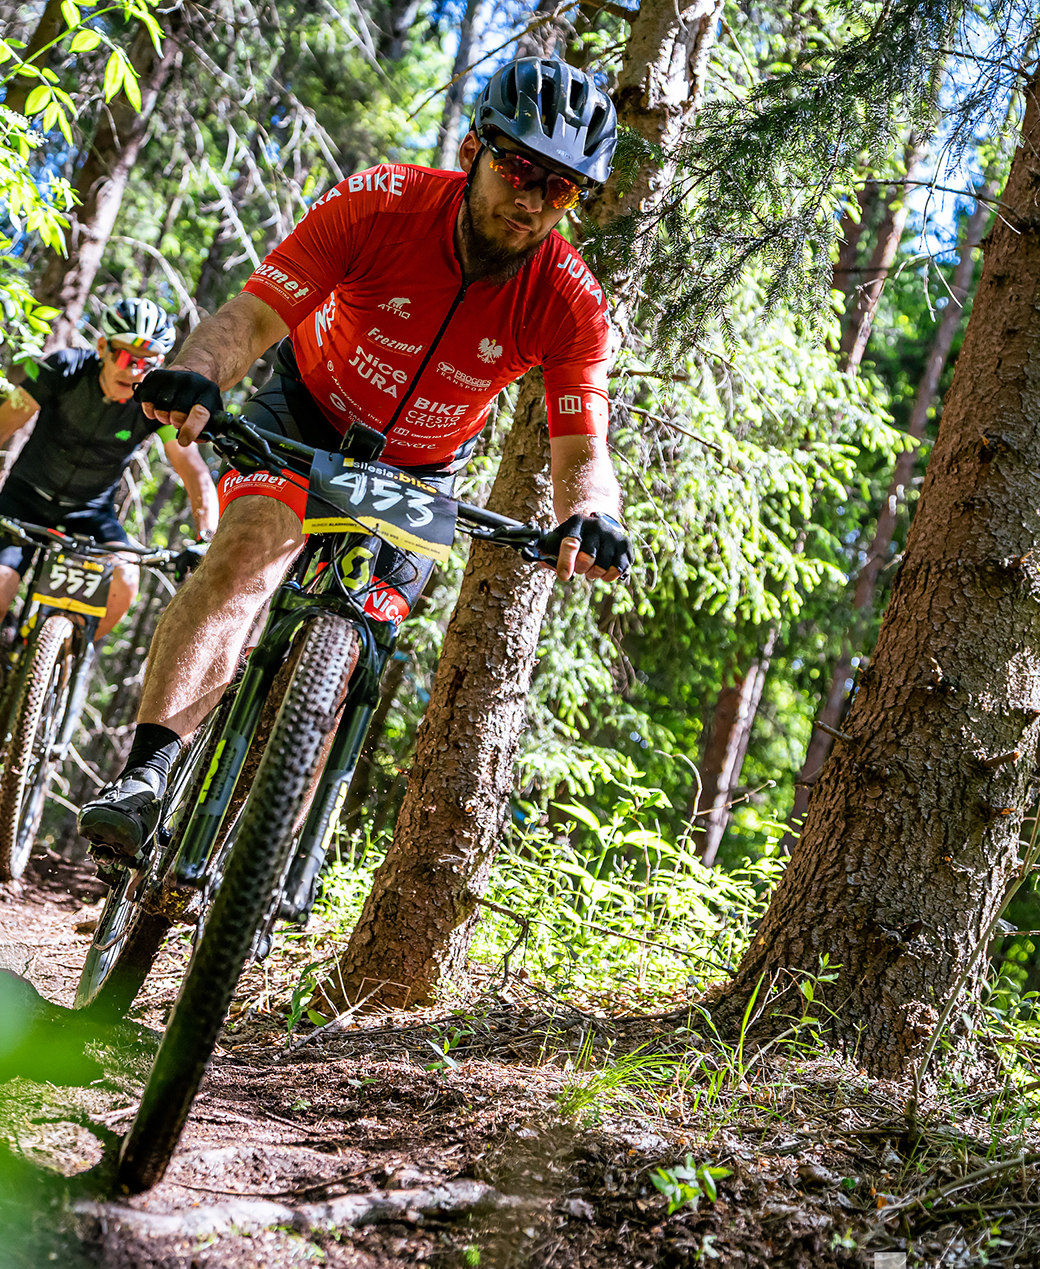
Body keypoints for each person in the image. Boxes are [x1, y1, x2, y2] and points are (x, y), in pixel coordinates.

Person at [77, 57, 634, 857]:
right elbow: (253, 316)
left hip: (421, 470)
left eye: (562, 189)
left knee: (350, 660)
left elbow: (582, 444)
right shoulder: (383, 202)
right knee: (247, 552)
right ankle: (146, 774)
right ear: (474, 149)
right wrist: (197, 373)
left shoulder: (569, 298)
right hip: (306, 413)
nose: (532, 201)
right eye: (518, 168)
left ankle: (255, 876)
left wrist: (594, 513)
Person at [0, 297, 220, 791]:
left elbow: (193, 471)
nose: (135, 370)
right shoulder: (61, 369)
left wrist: (206, 536)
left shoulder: (154, 403)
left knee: (126, 580)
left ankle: (68, 653)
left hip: (89, 514)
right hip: (24, 501)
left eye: (149, 361)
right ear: (102, 347)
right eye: (126, 355)